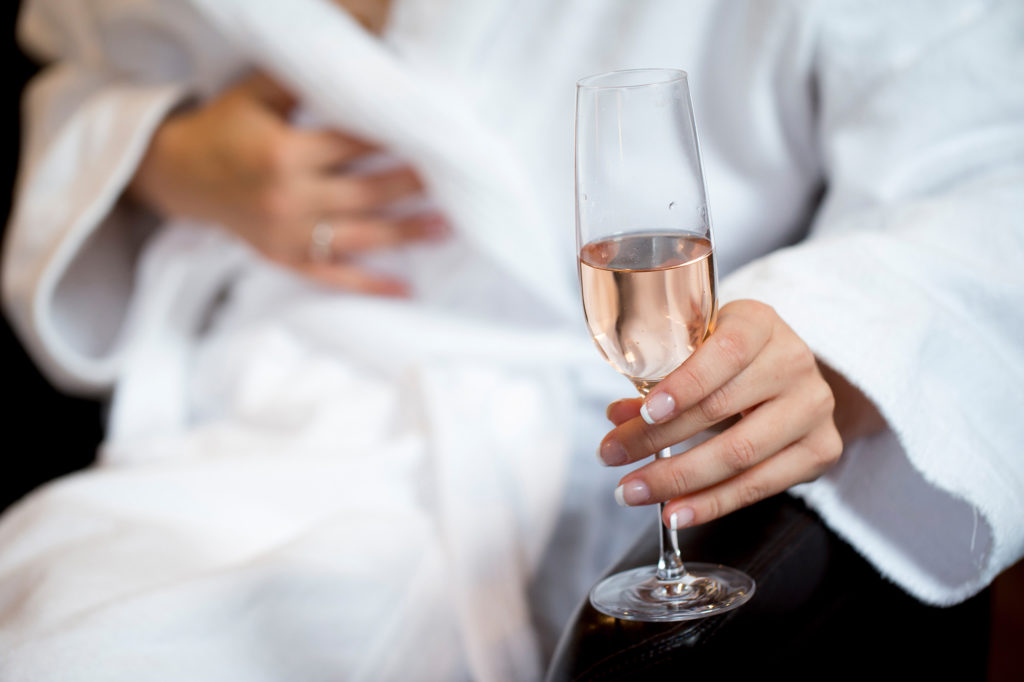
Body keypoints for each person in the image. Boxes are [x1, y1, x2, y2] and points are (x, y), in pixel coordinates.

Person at [1, 0, 1021, 680]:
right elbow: (79, 69)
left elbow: (989, 164)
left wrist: (834, 338)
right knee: (60, 619)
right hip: (245, 418)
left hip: (561, 436)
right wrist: (159, 154)